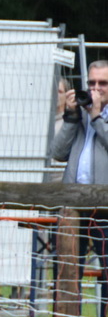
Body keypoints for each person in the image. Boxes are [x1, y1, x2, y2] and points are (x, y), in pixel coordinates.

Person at [52, 59, 108, 262]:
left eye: (103, 84)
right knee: (67, 270)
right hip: (73, 203)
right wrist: (71, 117)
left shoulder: (93, 117)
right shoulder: (80, 114)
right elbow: (57, 153)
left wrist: (97, 118)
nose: (96, 89)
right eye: (92, 83)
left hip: (105, 206)